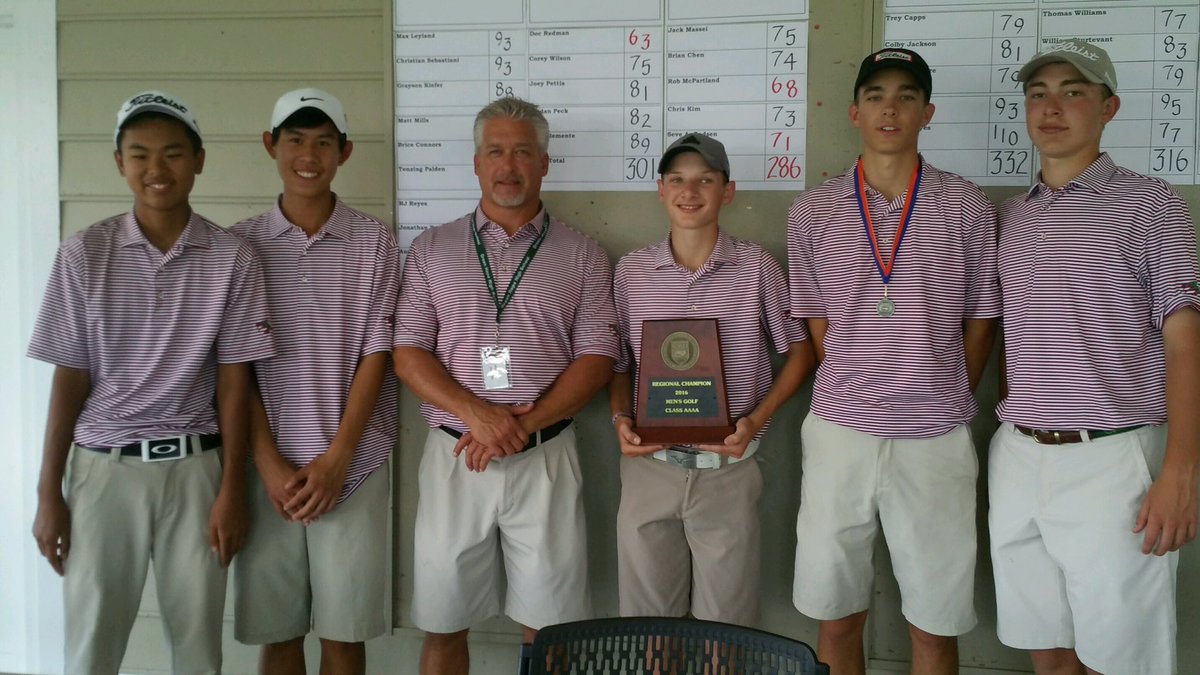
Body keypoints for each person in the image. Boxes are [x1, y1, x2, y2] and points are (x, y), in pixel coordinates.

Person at [28, 90, 275, 675]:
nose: (156, 170)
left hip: (196, 471)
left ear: (198, 160)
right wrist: (48, 493)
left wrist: (233, 488)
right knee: (92, 641)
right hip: (102, 471)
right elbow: (70, 376)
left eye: (172, 154)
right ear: (119, 163)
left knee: (196, 648)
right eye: (139, 154)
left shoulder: (231, 256)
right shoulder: (84, 253)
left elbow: (234, 382)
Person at [990, 38, 1200, 675]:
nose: (1051, 108)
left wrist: (1181, 472)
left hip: (1115, 458)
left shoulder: (1152, 204)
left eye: (1072, 93)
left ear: (1109, 107)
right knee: (1048, 651)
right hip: (1019, 454)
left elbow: (1186, 344)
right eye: (1038, 94)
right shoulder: (1011, 216)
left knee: (1121, 660)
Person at [787, 49, 1000, 674]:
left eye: (907, 96)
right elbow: (817, 320)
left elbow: (982, 318)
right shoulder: (814, 209)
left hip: (934, 437)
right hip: (839, 431)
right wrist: (864, 380)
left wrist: (942, 388)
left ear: (926, 113)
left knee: (934, 621)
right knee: (836, 613)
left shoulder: (966, 204)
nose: (891, 107)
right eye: (877, 95)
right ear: (855, 111)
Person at [393, 96, 619, 675]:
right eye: (495, 151)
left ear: (545, 162)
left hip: (544, 458)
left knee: (550, 633)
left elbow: (597, 357)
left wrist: (519, 424)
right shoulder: (431, 250)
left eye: (523, 151)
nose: (508, 165)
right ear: (476, 163)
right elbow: (409, 353)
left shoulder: (584, 255)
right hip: (455, 457)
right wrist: (479, 415)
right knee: (444, 624)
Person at [609, 133, 813, 626]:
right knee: (649, 629)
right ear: (660, 190)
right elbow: (619, 362)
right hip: (649, 469)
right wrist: (620, 418)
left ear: (728, 190)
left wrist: (755, 421)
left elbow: (801, 353)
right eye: (677, 179)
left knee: (726, 632)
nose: (690, 190)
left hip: (729, 470)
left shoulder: (756, 266)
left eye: (705, 179)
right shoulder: (632, 271)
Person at [230, 88, 400, 675]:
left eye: (324, 141)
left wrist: (339, 458)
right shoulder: (239, 243)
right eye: (295, 139)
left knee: (343, 637)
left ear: (345, 152)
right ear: (270, 145)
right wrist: (269, 462)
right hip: (265, 469)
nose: (309, 154)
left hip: (353, 463)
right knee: (278, 637)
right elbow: (237, 367)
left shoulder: (375, 241)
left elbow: (377, 351)